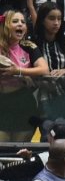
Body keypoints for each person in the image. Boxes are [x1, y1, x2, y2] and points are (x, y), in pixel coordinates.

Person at [0, 9, 46, 140]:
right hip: (2, 102)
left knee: (20, 150)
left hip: (23, 103)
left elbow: (44, 69)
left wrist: (19, 72)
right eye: (15, 21)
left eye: (23, 22)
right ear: (5, 25)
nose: (20, 24)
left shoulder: (29, 46)